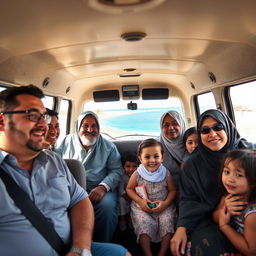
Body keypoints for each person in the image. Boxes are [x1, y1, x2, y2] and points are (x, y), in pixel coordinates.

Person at [0, 85, 131, 256]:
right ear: (2, 121)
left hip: (99, 193)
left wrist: (81, 248)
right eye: (32, 116)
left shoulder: (53, 161)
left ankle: (101, 240)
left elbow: (113, 173)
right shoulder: (65, 144)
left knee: (119, 245)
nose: (44, 125)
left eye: (43, 117)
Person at [170, 109, 255, 256]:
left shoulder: (250, 154)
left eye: (218, 127)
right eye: (205, 130)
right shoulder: (192, 165)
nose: (212, 134)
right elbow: (189, 199)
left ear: (228, 127)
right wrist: (181, 228)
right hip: (209, 219)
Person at [56, 111, 123, 242]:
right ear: (78, 127)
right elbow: (53, 159)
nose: (90, 129)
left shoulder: (109, 147)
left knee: (107, 207)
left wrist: (102, 188)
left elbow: (117, 171)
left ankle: (103, 244)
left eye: (94, 126)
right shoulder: (66, 141)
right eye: (85, 125)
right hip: (71, 189)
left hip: (99, 188)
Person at [127, 138, 177, 256]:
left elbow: (173, 190)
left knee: (167, 220)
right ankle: (148, 252)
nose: (152, 160)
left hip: (164, 206)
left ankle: (162, 252)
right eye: (147, 157)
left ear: (162, 157)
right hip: (142, 207)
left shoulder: (166, 173)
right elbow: (129, 189)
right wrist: (140, 201)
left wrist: (165, 204)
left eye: (156, 156)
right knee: (143, 223)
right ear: (140, 159)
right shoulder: (137, 173)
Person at [213, 149, 256, 255]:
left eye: (239, 175)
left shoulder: (252, 214)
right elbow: (214, 216)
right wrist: (223, 211)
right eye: (227, 172)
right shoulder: (228, 196)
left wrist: (224, 225)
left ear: (253, 182)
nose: (230, 179)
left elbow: (251, 251)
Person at [159, 110, 187, 186]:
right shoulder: (157, 146)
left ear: (181, 125)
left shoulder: (192, 143)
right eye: (166, 125)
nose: (171, 128)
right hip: (166, 190)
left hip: (190, 188)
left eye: (175, 123)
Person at [118, 151, 139, 231]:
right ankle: (122, 219)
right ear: (123, 167)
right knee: (121, 201)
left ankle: (131, 219)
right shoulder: (122, 176)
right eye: (128, 166)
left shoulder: (139, 175)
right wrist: (126, 196)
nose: (131, 169)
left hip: (136, 197)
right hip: (125, 197)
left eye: (134, 166)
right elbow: (120, 189)